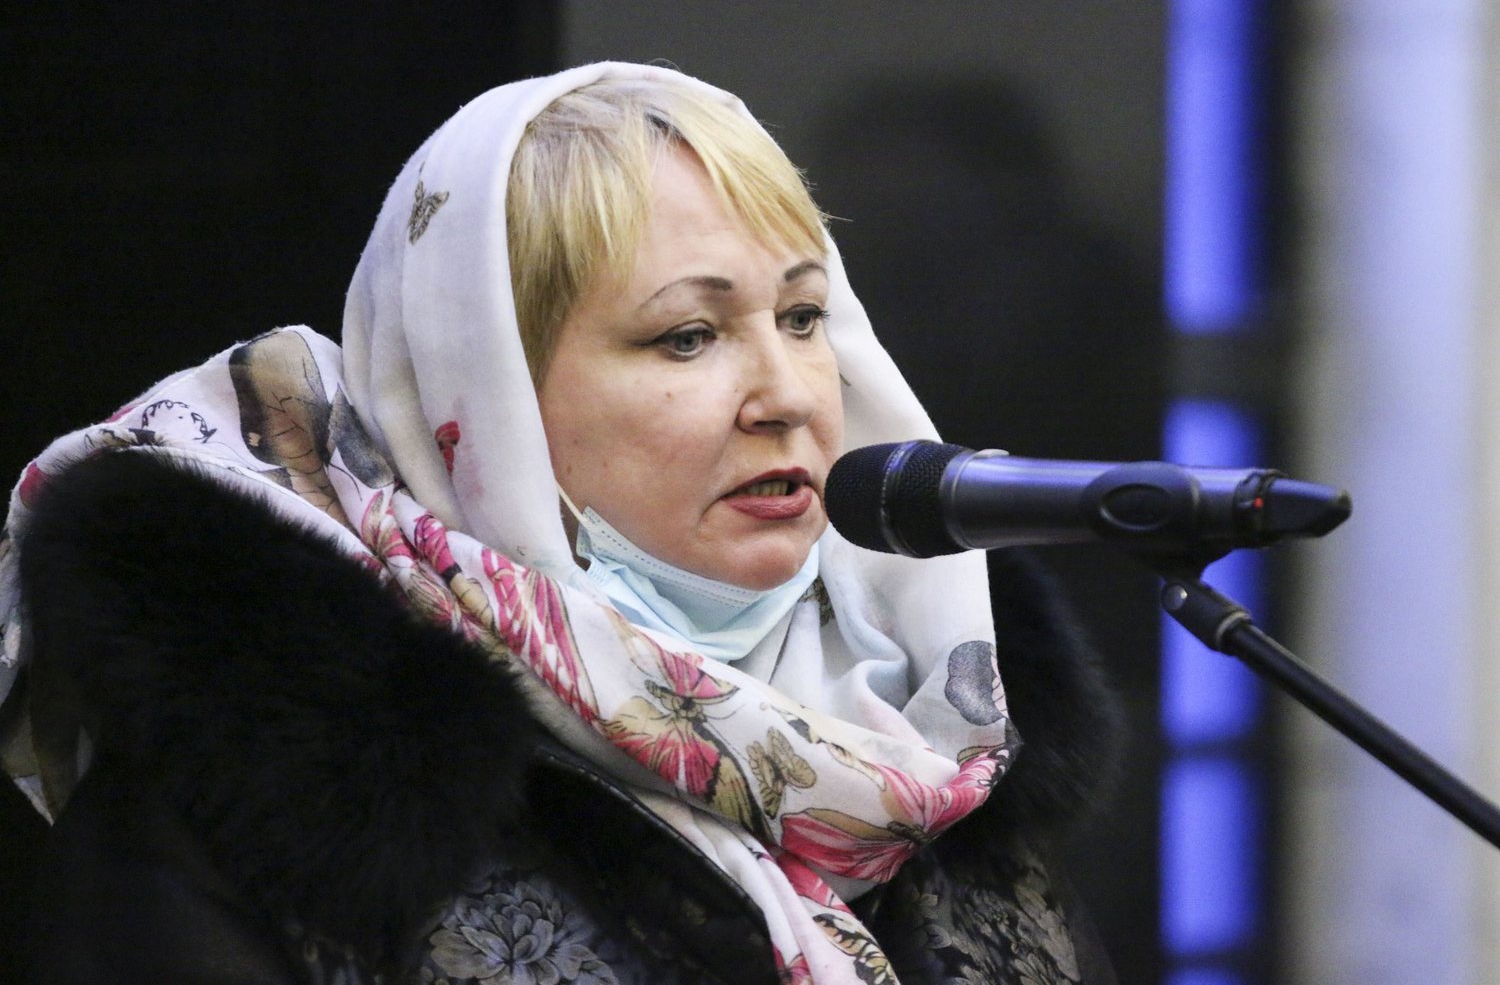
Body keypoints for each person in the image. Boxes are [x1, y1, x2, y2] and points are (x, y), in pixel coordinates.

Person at [0, 62, 1118, 983]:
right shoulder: (251, 819)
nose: (786, 394)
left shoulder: (930, 747)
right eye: (687, 336)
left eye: (802, 315)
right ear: (481, 402)